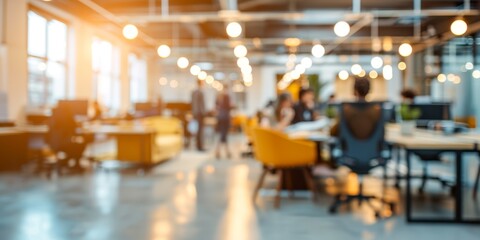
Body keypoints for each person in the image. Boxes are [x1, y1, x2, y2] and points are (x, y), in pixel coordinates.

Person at [215, 84, 232, 159]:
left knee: (223, 134)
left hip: (220, 117)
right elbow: (228, 107)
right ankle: (221, 151)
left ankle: (224, 151)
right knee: (223, 135)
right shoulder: (226, 96)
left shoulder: (219, 96)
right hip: (225, 117)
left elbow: (216, 106)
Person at [191, 79, 206, 151]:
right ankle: (200, 146)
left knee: (197, 130)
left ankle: (198, 145)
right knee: (200, 130)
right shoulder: (200, 92)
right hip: (200, 113)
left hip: (196, 113)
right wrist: (203, 113)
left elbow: (193, 104)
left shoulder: (194, 92)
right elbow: (200, 104)